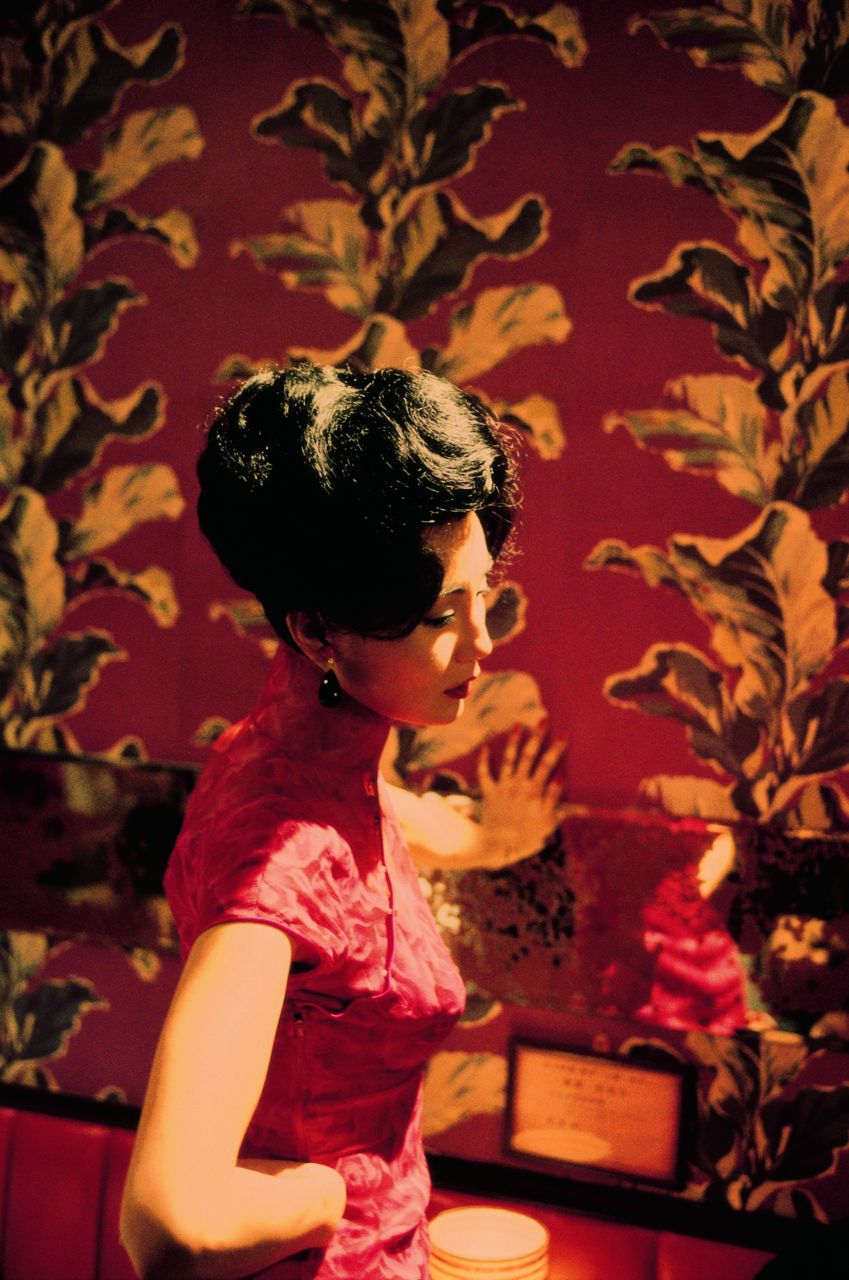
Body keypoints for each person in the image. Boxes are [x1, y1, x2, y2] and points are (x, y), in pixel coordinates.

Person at [120, 363, 565, 1279]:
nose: (483, 641)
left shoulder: (310, 746)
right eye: (441, 616)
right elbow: (168, 1227)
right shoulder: (282, 861)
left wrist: (483, 840)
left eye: (483, 593)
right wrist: (330, 1194)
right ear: (319, 633)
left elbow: (362, 810)